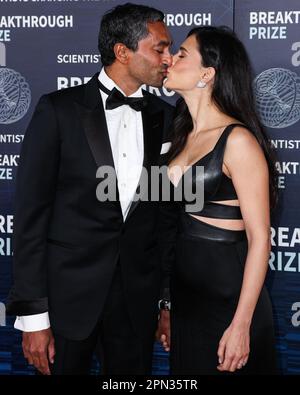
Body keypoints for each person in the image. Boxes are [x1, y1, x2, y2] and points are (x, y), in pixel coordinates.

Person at [6, 3, 174, 375]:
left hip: (135, 302)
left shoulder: (166, 117)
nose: (168, 58)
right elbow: (31, 220)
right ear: (122, 52)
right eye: (159, 48)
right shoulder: (59, 111)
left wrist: (166, 301)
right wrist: (34, 316)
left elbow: (164, 218)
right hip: (68, 303)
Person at [160, 26, 278, 374]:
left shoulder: (238, 141)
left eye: (182, 54)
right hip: (186, 303)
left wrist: (241, 325)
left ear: (206, 74)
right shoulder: (179, 135)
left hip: (230, 302)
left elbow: (260, 240)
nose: (170, 59)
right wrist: (166, 302)